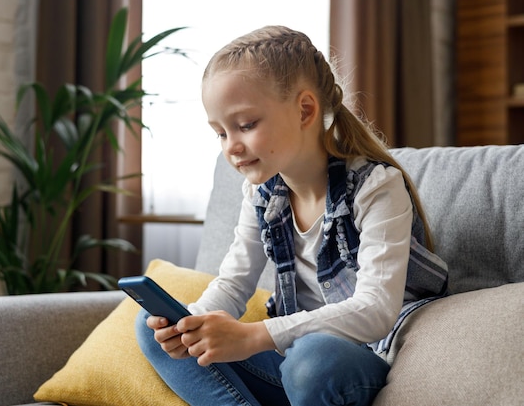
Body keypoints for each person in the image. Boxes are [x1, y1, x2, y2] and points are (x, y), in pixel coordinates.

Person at [135, 25, 449, 406]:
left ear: (305, 110)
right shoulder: (261, 193)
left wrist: (254, 336)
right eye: (220, 133)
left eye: (246, 125)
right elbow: (233, 285)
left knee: (311, 359)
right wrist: (192, 323)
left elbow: (375, 312)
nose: (231, 147)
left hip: (354, 359)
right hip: (290, 360)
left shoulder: (376, 188)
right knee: (154, 330)